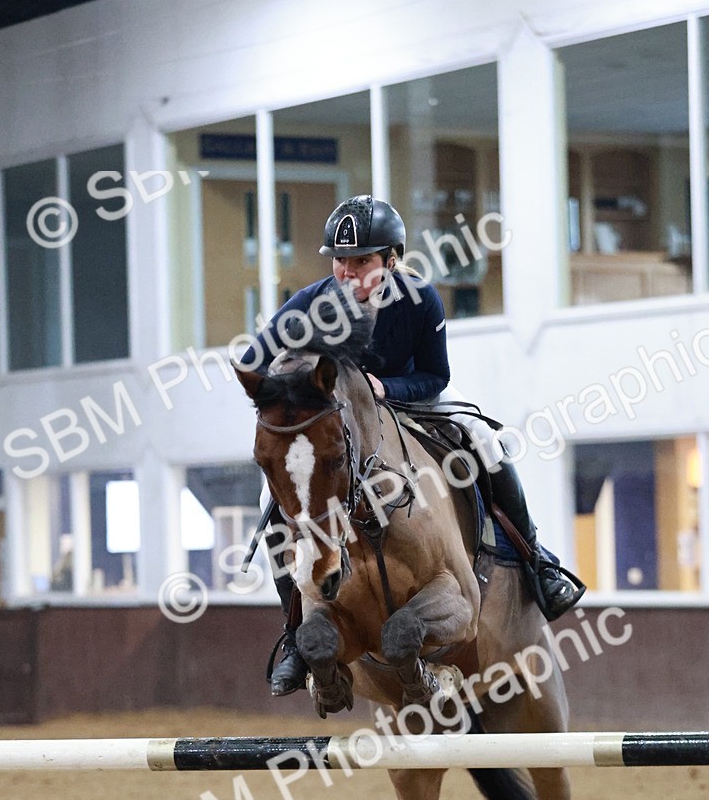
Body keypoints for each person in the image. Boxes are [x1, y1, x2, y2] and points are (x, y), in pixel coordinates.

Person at [241, 195, 585, 696]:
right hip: (338, 418)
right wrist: (290, 384)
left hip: (414, 399)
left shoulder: (420, 299)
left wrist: (388, 390)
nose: (348, 272)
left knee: (487, 442)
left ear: (391, 260)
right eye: (341, 260)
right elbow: (256, 358)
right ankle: (296, 633)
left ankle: (537, 561)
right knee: (271, 499)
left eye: (362, 260)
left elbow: (436, 375)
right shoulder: (311, 304)